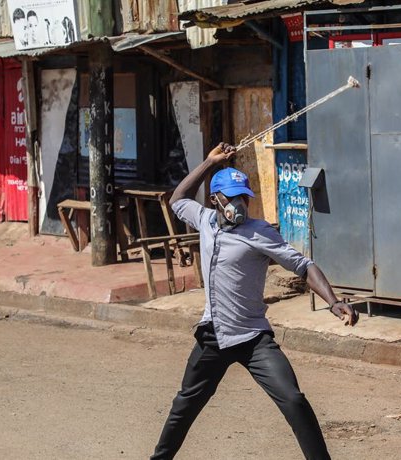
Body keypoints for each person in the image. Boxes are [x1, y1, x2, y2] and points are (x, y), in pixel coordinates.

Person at [151, 143, 359, 459]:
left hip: (253, 339)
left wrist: (333, 302)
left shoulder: (259, 232)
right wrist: (209, 162)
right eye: (232, 197)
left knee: (293, 399)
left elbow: (303, 265)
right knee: (185, 404)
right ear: (216, 200)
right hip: (213, 338)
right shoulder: (205, 220)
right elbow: (177, 199)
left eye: (243, 197)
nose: (239, 203)